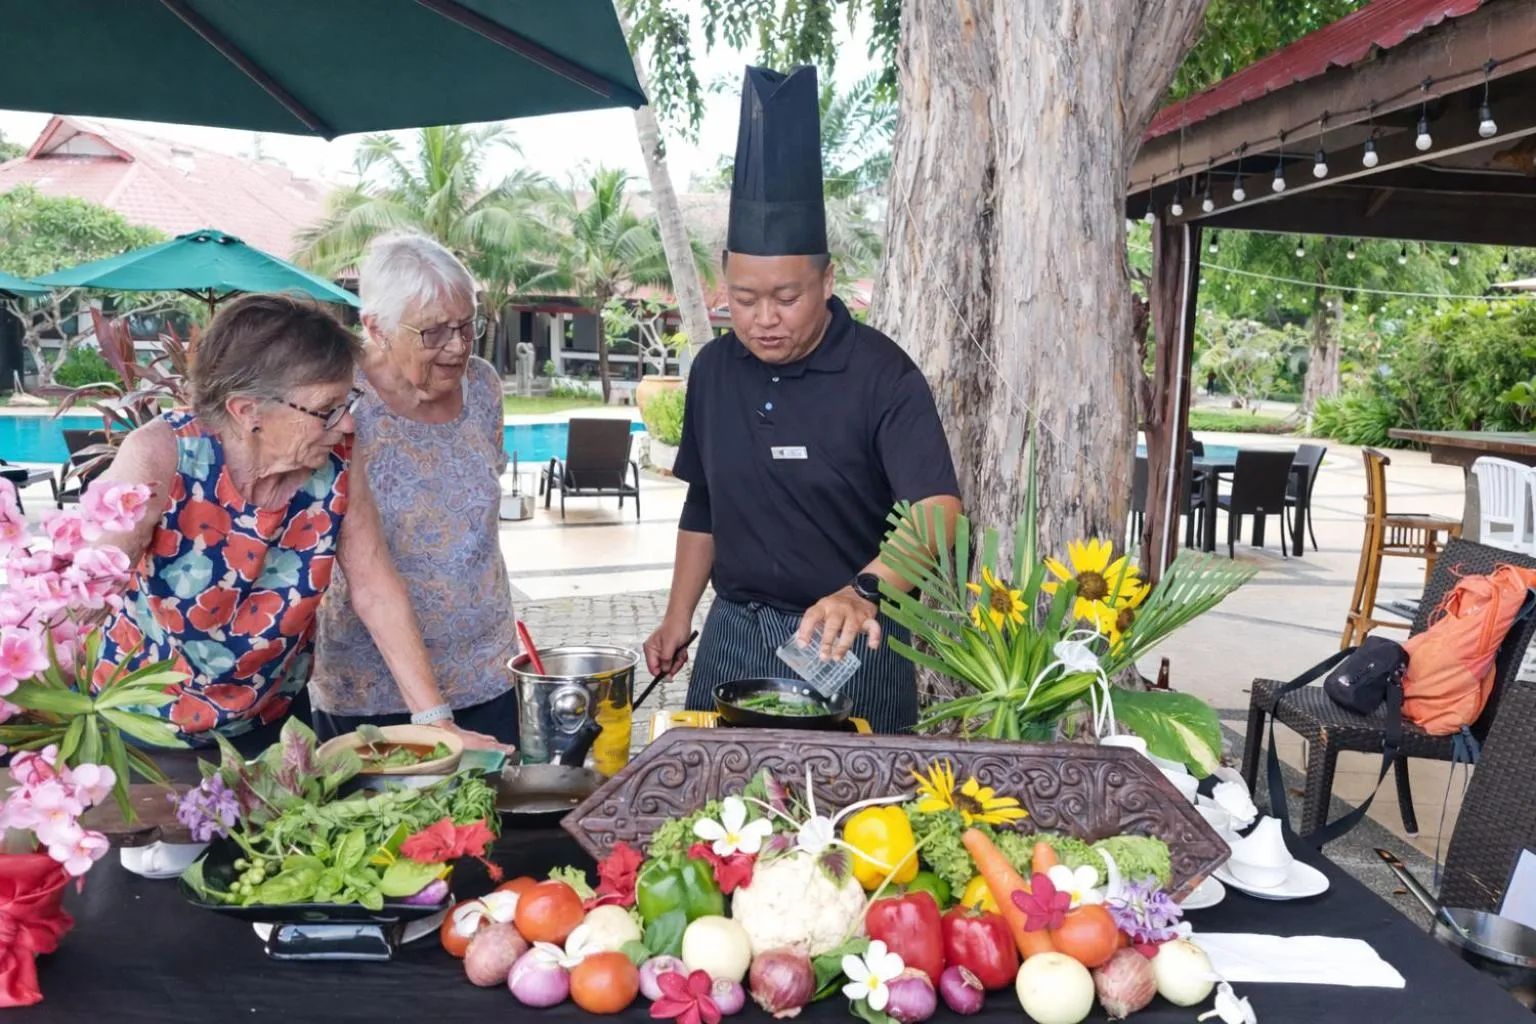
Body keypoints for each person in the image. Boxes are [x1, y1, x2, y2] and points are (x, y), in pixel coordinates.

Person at [643, 66, 963, 734]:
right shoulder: (713, 370)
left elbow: (939, 512)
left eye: (785, 298)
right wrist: (678, 620)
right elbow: (705, 503)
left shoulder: (881, 374)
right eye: (744, 297)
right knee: (718, 816)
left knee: (855, 813)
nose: (764, 318)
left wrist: (864, 590)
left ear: (827, 280)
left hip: (846, 635)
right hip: (734, 629)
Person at [90, 293, 508, 759]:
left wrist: (436, 723)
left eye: (347, 400)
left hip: (273, 721)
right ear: (247, 412)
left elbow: (375, 586)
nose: (348, 423)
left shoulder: (337, 461)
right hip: (144, 730)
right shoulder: (160, 456)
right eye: (327, 407)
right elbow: (82, 591)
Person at [309, 234, 521, 746]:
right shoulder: (336, 402)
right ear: (376, 328)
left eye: (467, 325)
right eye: (433, 332)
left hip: (487, 670)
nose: (457, 346)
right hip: (369, 684)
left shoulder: (484, 385)